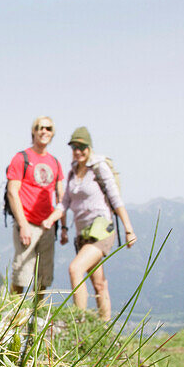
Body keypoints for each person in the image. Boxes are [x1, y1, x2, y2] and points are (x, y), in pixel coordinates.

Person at [59, 127, 136, 320]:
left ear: (89, 148)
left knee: (75, 269)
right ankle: (104, 325)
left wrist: (128, 229)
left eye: (82, 147)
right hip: (82, 234)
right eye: (74, 147)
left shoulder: (99, 168)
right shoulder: (72, 173)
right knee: (99, 282)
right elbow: (64, 203)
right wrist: (63, 227)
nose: (78, 151)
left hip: (102, 230)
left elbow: (115, 199)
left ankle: (80, 321)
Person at [5, 116, 65, 295]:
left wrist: (64, 228)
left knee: (44, 277)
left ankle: (37, 319)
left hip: (48, 227)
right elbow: (12, 192)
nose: (44, 131)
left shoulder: (55, 162)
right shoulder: (21, 158)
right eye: (40, 128)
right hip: (27, 224)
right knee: (21, 276)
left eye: (48, 128)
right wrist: (22, 225)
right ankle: (13, 315)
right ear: (33, 131)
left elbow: (62, 198)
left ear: (52, 133)